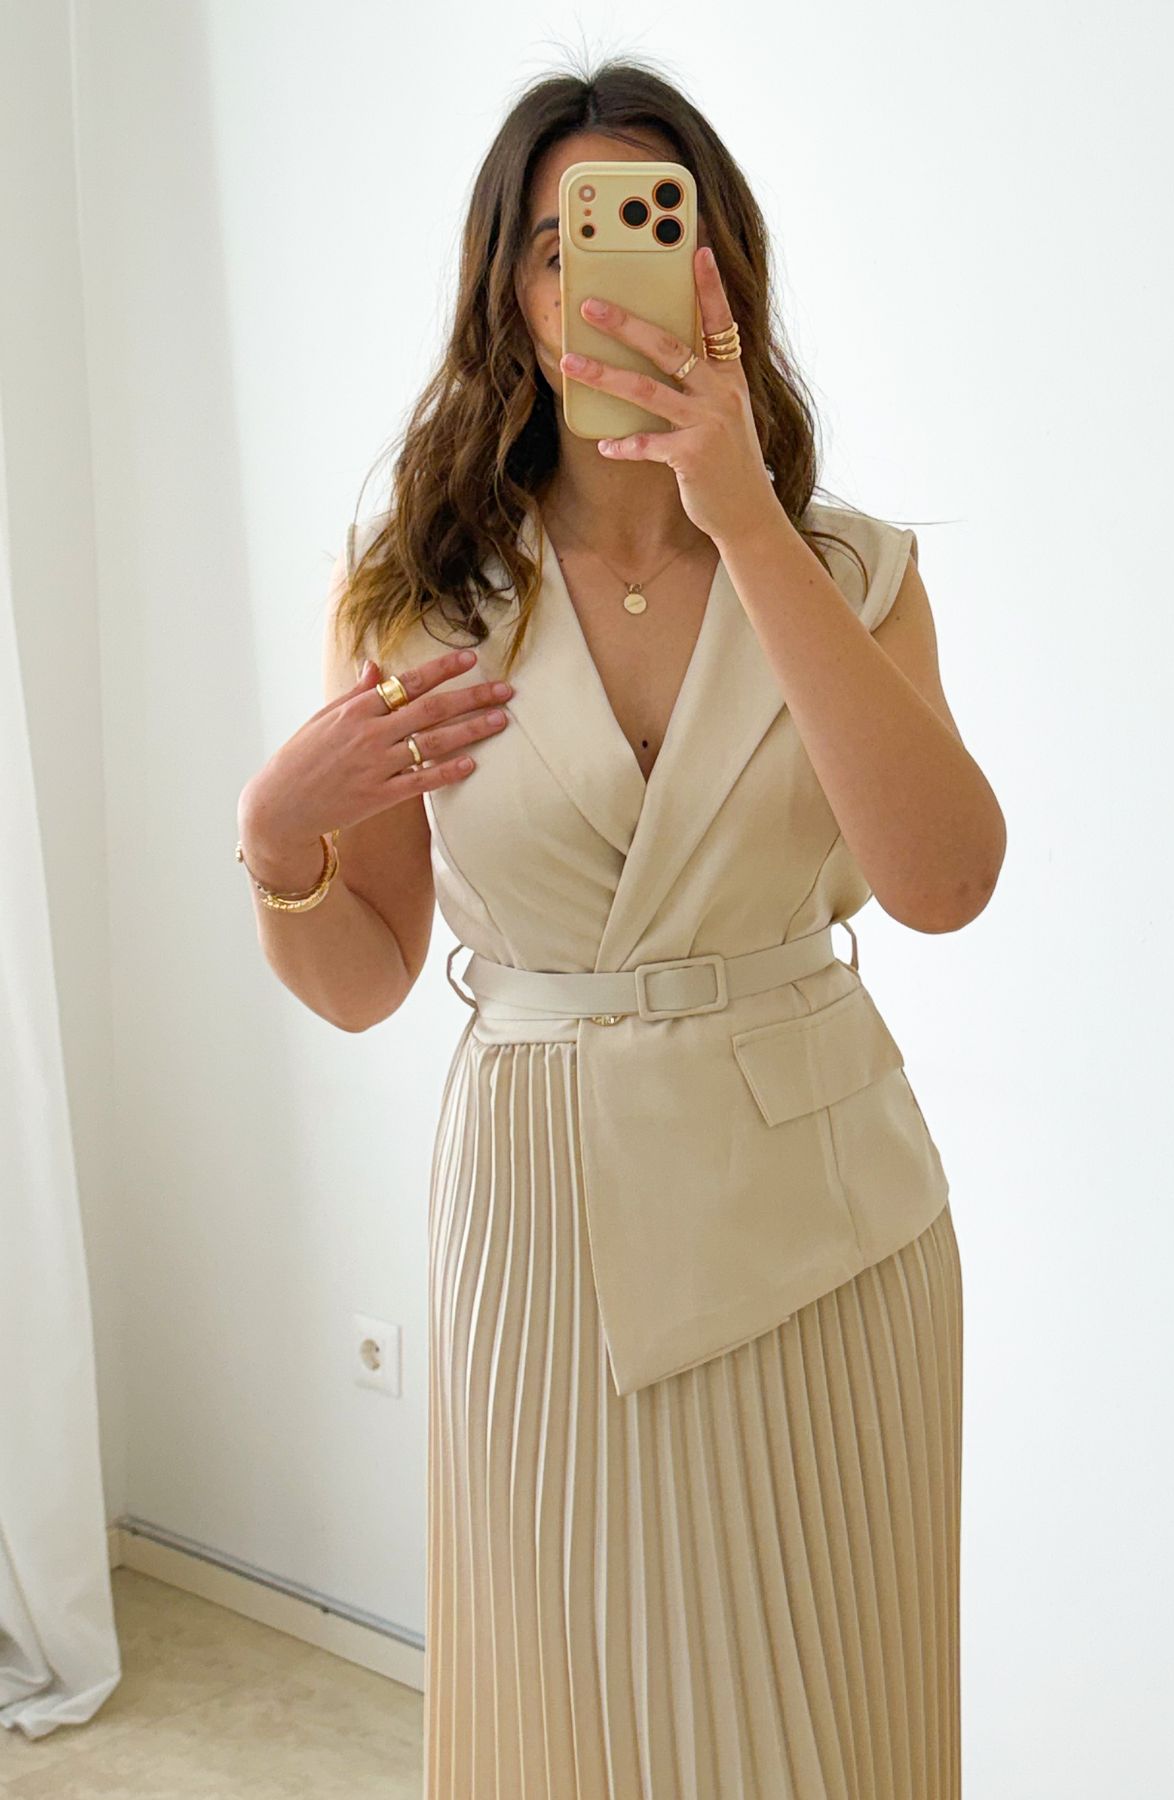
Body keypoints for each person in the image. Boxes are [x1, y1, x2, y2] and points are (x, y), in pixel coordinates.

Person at [236, 54, 1004, 1800]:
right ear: (508, 291)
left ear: (723, 272)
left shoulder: (853, 570)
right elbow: (365, 979)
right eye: (559, 241)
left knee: (840, 1727)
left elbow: (946, 881)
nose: (608, 275)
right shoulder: (418, 598)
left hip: (828, 1229)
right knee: (575, 1726)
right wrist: (277, 844)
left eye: (658, 229)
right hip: (545, 1226)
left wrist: (744, 518)